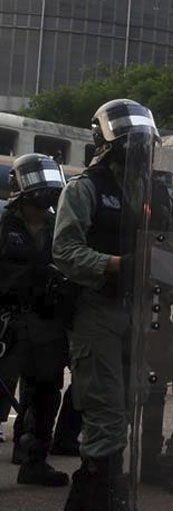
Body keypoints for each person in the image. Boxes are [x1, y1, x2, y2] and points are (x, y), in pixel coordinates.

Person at [53, 99, 162, 511]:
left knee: (121, 411)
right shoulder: (85, 189)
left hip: (131, 310)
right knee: (107, 415)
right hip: (96, 311)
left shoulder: (146, 190)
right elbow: (64, 252)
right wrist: (119, 263)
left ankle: (82, 503)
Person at [0, 153, 71, 486]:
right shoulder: (4, 226)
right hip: (9, 324)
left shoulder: (60, 228)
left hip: (46, 323)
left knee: (44, 392)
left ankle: (33, 459)